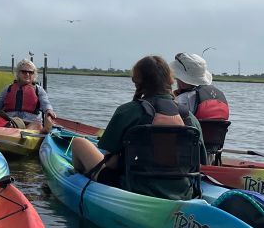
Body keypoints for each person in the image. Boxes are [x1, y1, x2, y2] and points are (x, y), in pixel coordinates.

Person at [69, 54, 206, 199]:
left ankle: (78, 184)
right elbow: (199, 164)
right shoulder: (190, 119)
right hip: (183, 192)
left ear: (138, 81)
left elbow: (111, 164)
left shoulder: (128, 111)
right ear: (170, 80)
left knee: (79, 143)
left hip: (132, 189)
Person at [0, 59, 56, 132]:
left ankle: (32, 134)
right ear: (18, 73)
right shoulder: (8, 89)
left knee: (36, 126)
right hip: (11, 121)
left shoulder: (38, 90)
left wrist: (49, 111)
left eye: (30, 72)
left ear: (34, 75)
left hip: (31, 122)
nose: (27, 74)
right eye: (24, 72)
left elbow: (46, 103)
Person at [170, 52, 229, 121]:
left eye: (177, 79)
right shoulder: (219, 95)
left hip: (192, 131)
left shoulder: (182, 99)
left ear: (182, 81)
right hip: (217, 131)